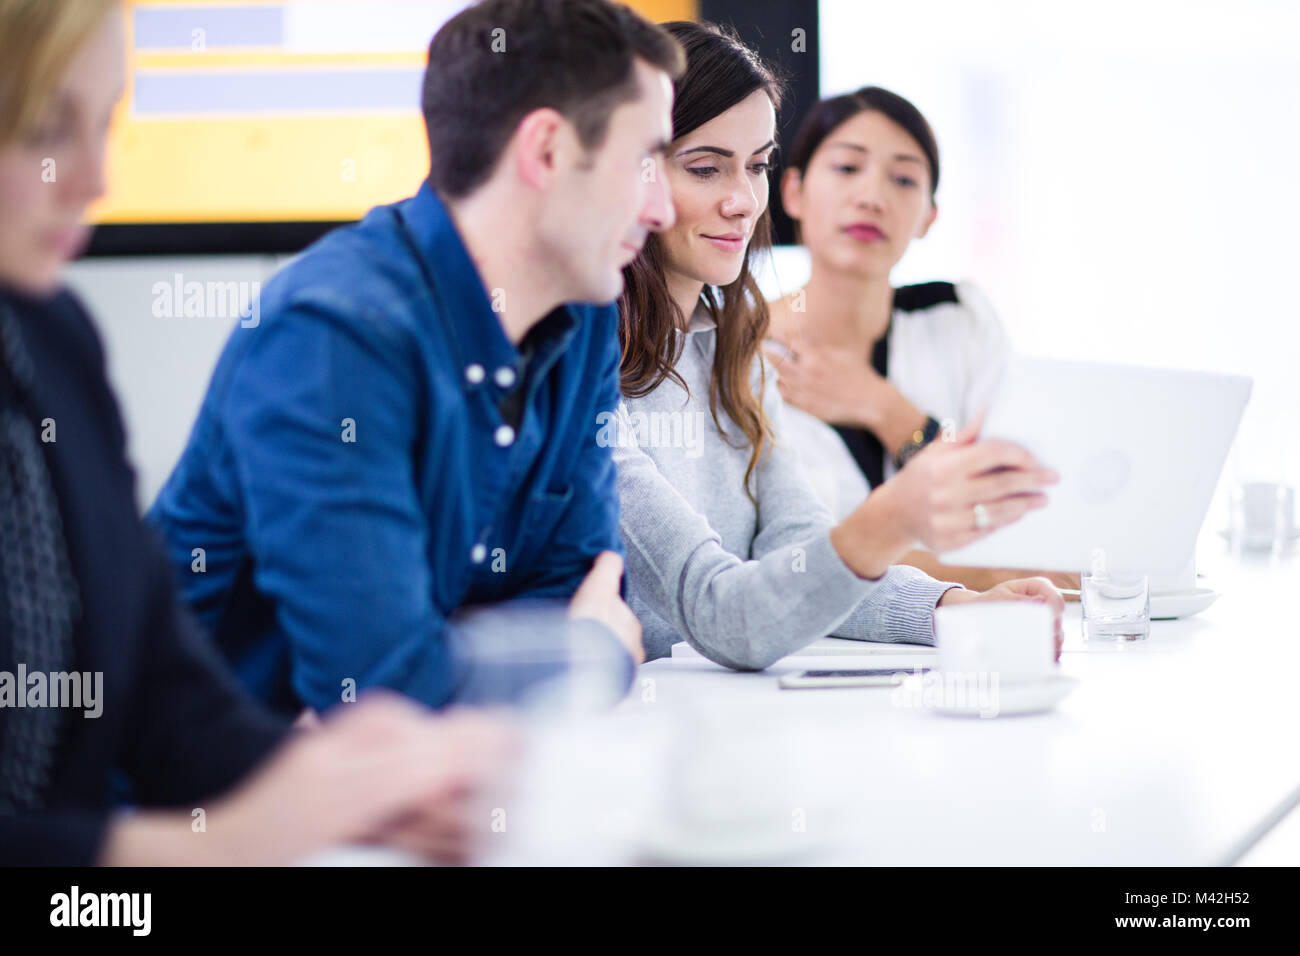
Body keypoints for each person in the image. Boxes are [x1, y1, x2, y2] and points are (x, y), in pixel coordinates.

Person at [0, 0, 512, 867]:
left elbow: (162, 694)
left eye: (109, 120)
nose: (96, 177)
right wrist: (207, 850)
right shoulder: (334, 326)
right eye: (46, 128)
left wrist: (342, 786)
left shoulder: (54, 342)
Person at [147, 0, 685, 718]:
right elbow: (383, 689)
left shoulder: (582, 316)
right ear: (547, 151)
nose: (663, 210)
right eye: (645, 159)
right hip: (212, 806)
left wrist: (467, 656)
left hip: (422, 787)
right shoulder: (336, 332)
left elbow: (583, 584)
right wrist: (583, 652)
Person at [612, 22, 1065, 669]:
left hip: (727, 725)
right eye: (707, 168)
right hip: (636, 738)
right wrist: (892, 520)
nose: (744, 201)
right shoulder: (584, 372)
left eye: (758, 165)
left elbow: (800, 559)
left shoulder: (726, 353)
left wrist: (952, 608)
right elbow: (724, 613)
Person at [766, 86, 1079, 593]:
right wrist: (995, 573)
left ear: (929, 217)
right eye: (847, 168)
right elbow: (785, 565)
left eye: (904, 179)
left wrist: (886, 410)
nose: (871, 197)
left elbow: (1015, 498)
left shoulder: (957, 316)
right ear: (793, 192)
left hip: (968, 641)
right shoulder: (737, 347)